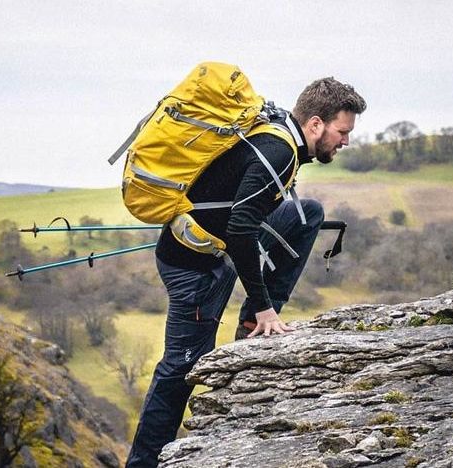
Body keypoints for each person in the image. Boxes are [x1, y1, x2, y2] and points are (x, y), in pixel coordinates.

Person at [125, 77, 366, 467]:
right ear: (316, 124)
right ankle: (143, 464)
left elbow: (246, 218)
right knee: (180, 370)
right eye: (342, 131)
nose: (346, 141)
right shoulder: (279, 150)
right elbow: (240, 228)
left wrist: (260, 304)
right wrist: (263, 303)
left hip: (219, 252)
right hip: (194, 269)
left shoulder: (279, 134)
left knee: (308, 215)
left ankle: (252, 325)